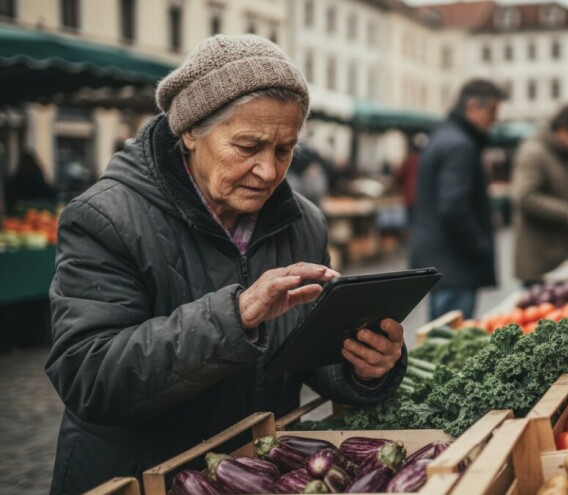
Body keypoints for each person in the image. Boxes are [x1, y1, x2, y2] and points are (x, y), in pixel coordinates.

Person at [44, 35, 406, 494]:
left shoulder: (304, 224)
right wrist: (236, 316)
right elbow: (89, 376)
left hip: (248, 479)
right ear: (191, 131)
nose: (269, 172)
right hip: (139, 479)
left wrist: (363, 365)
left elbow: (310, 357)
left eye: (283, 149)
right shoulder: (105, 218)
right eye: (247, 146)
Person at [409, 79, 505, 319]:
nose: (495, 120)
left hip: (443, 261)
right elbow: (453, 208)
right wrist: (479, 246)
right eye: (492, 111)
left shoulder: (445, 137)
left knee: (442, 339)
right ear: (473, 106)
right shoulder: (460, 145)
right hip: (454, 264)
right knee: (451, 345)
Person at [511, 104, 568, 284]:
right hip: (539, 260)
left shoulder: (562, 154)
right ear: (562, 129)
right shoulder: (535, 152)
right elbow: (524, 196)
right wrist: (567, 212)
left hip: (558, 255)